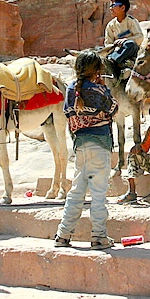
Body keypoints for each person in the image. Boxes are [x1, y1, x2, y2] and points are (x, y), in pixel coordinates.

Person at [55, 50, 118, 250]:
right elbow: (114, 109)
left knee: (76, 192)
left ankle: (63, 235)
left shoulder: (71, 88)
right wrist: (105, 89)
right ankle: (99, 236)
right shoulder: (99, 90)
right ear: (97, 71)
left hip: (80, 145)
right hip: (100, 143)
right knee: (99, 192)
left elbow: (68, 114)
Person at [105, 0, 144, 70]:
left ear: (123, 7)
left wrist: (125, 40)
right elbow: (108, 43)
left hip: (131, 51)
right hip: (116, 50)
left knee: (130, 44)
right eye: (110, 6)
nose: (110, 9)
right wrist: (115, 46)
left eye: (113, 5)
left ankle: (112, 61)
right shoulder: (111, 25)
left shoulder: (131, 21)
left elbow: (140, 37)